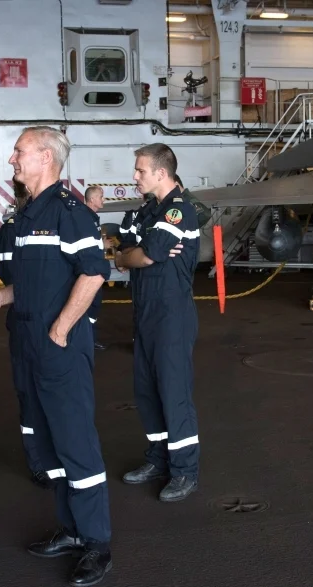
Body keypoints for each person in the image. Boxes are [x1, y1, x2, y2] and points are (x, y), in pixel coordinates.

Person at [0, 126, 113, 587]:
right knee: (47, 443)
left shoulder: (71, 213)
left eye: (19, 152)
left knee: (74, 440)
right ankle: (71, 529)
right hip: (26, 344)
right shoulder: (25, 216)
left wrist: (61, 327)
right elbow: (33, 282)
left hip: (58, 346)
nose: (12, 159)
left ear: (46, 158)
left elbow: (93, 274)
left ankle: (96, 542)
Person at [115, 143, 202, 503]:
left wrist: (130, 256)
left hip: (171, 317)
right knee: (147, 392)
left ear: (160, 173)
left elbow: (148, 254)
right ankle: (158, 459)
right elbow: (126, 247)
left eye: (140, 171)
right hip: (146, 314)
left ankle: (184, 471)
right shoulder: (149, 210)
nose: (135, 177)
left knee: (173, 393)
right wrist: (128, 254)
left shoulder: (179, 212)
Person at [0, 199, 53, 491]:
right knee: (29, 394)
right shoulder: (12, 229)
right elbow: (8, 275)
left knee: (57, 394)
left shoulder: (60, 221)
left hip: (56, 322)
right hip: (25, 321)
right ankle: (38, 462)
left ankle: (58, 457)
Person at [84, 185, 107, 351]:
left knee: (94, 305)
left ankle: (89, 339)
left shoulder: (92, 217)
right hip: (89, 270)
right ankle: (86, 341)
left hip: (95, 268)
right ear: (92, 199)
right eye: (101, 196)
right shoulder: (85, 217)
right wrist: (102, 244)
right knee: (89, 305)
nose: (103, 199)